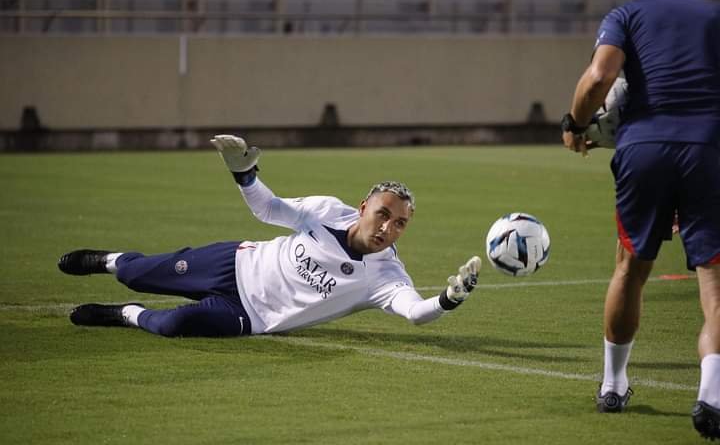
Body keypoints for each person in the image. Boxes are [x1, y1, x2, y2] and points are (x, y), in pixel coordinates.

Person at [59, 134, 481, 340]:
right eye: (383, 215)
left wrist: (448, 299)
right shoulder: (326, 210)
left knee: (174, 324)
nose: (388, 229)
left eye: (399, 224)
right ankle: (109, 260)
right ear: (363, 207)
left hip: (253, 317)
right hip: (235, 263)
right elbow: (268, 209)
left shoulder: (385, 277)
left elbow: (415, 313)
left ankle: (122, 314)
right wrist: (244, 175)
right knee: (138, 272)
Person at [560, 0, 720, 439]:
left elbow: (597, 79)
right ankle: (711, 395)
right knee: (714, 282)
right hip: (709, 148)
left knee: (630, 268)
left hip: (643, 148)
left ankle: (613, 384)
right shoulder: (714, 16)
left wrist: (575, 123)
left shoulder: (626, 14)